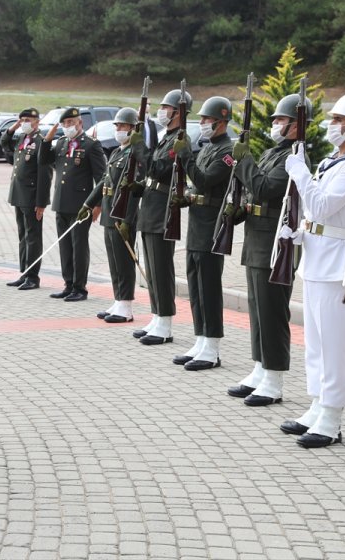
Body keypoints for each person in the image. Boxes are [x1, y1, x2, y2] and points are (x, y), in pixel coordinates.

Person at [279, 92, 345, 447]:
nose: (332, 125)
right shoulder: (332, 162)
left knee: (334, 344)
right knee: (315, 342)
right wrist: (300, 232)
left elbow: (321, 206)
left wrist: (300, 171)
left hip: (336, 264)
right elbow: (313, 215)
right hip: (317, 258)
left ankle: (332, 417)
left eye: (338, 119)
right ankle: (317, 404)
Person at [227, 93, 311, 406]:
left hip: (275, 244)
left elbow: (264, 188)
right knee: (258, 309)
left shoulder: (295, 158)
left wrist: (244, 161)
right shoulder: (273, 153)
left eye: (281, 120)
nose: (274, 124)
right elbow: (253, 190)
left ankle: (274, 380)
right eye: (274, 119)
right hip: (257, 240)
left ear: (296, 125)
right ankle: (260, 368)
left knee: (272, 312)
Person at [171, 96, 234, 370]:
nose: (203, 123)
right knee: (195, 287)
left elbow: (205, 181)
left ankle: (212, 347)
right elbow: (195, 185)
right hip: (197, 224)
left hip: (211, 226)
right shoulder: (208, 148)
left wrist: (185, 156)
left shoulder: (227, 151)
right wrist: (185, 195)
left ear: (221, 121)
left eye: (208, 120)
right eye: (203, 119)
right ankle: (201, 339)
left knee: (209, 288)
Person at [134, 89, 193, 345]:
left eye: (166, 108)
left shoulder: (180, 140)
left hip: (163, 210)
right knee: (151, 268)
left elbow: (157, 169)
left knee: (161, 268)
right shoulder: (166, 137)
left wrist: (139, 148)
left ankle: (166, 322)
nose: (161, 112)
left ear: (178, 112)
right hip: (151, 207)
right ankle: (157, 315)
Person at [80, 107, 147, 323]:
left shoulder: (135, 154)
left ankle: (126, 306)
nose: (118, 130)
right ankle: (118, 300)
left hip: (122, 214)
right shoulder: (118, 152)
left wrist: (127, 220)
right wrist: (89, 203)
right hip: (110, 211)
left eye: (123, 126)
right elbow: (104, 181)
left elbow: (134, 191)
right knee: (114, 261)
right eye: (117, 126)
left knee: (124, 261)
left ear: (133, 129)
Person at [39, 107, 106, 302]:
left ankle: (79, 287)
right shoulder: (61, 143)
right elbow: (43, 160)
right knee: (65, 247)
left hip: (81, 206)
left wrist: (98, 205)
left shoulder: (91, 145)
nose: (67, 126)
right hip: (61, 203)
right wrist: (47, 140)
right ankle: (68, 284)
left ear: (80, 123)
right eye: (65, 123)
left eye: (71, 123)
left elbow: (101, 178)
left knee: (79, 247)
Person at [0, 108, 52, 290]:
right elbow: (4, 143)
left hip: (31, 197)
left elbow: (45, 175)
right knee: (23, 236)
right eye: (22, 120)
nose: (24, 123)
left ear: (37, 122)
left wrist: (41, 202)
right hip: (18, 194)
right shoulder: (22, 138)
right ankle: (24, 272)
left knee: (33, 238)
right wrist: (13, 127)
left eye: (28, 120)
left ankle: (33, 277)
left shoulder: (41, 142)